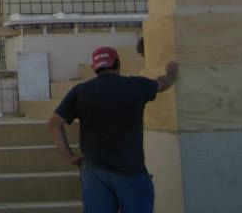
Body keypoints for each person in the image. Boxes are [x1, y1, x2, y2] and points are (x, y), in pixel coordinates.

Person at [48, 46, 178, 213]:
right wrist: (171, 73)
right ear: (118, 65)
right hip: (130, 170)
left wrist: (70, 156)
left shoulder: (80, 91)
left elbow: (54, 123)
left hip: (93, 171)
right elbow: (162, 84)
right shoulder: (136, 85)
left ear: (95, 68)